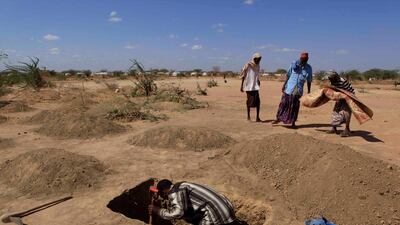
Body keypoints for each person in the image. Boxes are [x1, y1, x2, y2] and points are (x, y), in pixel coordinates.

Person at [148, 179, 242, 225]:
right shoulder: (183, 185)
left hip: (217, 215)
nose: (162, 196)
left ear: (165, 190)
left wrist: (158, 210)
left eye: (161, 193)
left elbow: (178, 213)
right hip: (227, 210)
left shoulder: (176, 192)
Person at [273, 52, 312, 127]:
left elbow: (309, 80)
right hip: (289, 88)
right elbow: (288, 75)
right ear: (300, 58)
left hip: (298, 90)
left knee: (295, 106)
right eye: (302, 59)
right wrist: (284, 85)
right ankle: (278, 119)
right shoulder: (294, 64)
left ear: (307, 59)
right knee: (283, 104)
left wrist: (309, 91)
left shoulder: (308, 68)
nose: (303, 60)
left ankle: (293, 122)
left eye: (305, 59)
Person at [326, 70, 355, 137]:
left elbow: (349, 92)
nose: (329, 79)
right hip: (340, 97)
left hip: (349, 97)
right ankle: (334, 128)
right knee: (335, 111)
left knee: (346, 112)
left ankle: (347, 130)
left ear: (334, 77)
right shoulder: (333, 81)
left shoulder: (342, 82)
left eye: (330, 78)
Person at [240, 53, 262, 122]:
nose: (258, 60)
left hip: (255, 86)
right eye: (257, 59)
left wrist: (258, 80)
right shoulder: (248, 65)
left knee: (258, 101)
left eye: (259, 59)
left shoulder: (258, 66)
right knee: (249, 101)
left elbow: (257, 74)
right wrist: (241, 85)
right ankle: (248, 116)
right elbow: (244, 75)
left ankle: (257, 117)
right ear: (254, 59)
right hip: (248, 86)